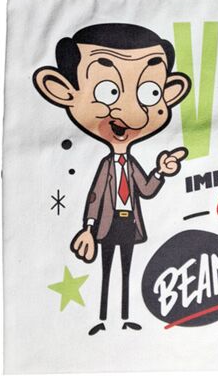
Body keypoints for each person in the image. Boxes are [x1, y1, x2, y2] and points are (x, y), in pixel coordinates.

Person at [33, 23, 191, 335]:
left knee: (127, 270)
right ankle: (104, 318)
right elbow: (94, 198)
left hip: (129, 224)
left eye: (151, 93)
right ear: (63, 90)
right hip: (107, 225)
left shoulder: (131, 165)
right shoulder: (107, 165)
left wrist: (161, 170)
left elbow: (146, 190)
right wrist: (88, 229)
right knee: (105, 270)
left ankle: (125, 316)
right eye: (108, 91)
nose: (134, 115)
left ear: (169, 93)